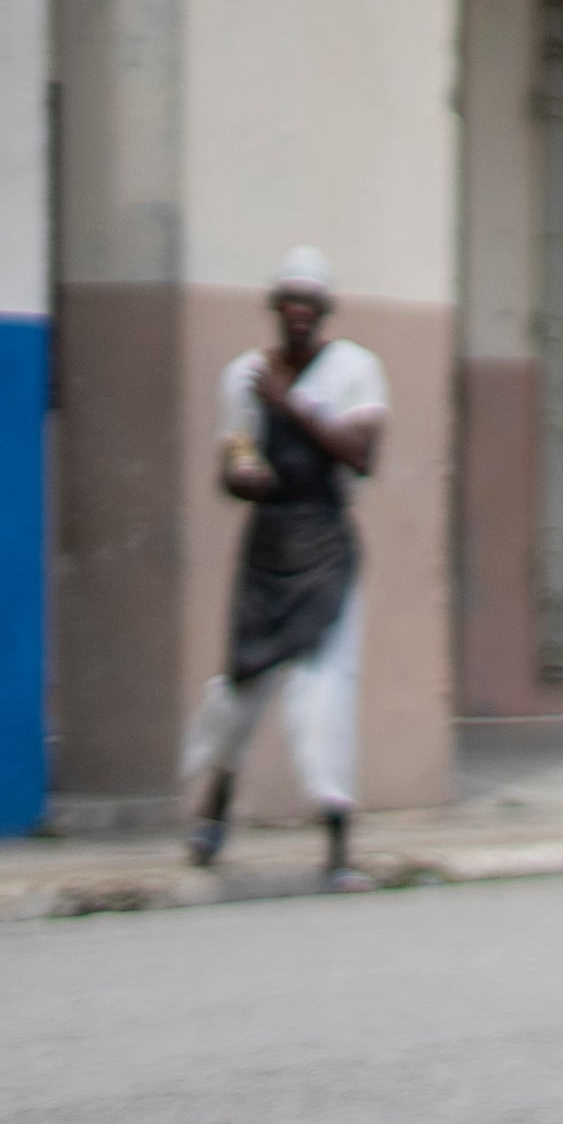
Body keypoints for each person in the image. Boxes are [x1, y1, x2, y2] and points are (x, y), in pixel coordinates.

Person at [178, 250, 388, 889]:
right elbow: (231, 464)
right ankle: (213, 812)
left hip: (326, 546)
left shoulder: (355, 371)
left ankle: (337, 841)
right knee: (243, 681)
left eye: (310, 305)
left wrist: (293, 404)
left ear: (323, 314)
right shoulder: (244, 375)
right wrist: (244, 476)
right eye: (288, 303)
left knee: (324, 692)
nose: (298, 315)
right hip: (269, 546)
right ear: (275, 310)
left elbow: (362, 456)